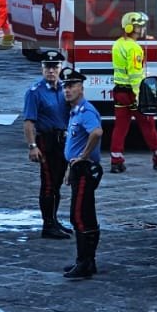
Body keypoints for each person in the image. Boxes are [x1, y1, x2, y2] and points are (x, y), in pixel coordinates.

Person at [23, 51, 72, 239]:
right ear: (42, 68)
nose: (51, 71)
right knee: (48, 184)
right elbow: (29, 122)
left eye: (55, 67)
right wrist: (32, 146)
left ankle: (54, 219)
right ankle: (48, 225)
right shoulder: (35, 92)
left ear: (61, 68)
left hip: (63, 140)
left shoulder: (65, 88)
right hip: (47, 140)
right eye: (47, 67)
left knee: (58, 183)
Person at [61, 69, 103, 279]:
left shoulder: (85, 111)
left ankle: (84, 262)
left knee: (78, 215)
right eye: (65, 86)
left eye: (72, 86)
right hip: (78, 168)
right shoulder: (75, 111)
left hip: (85, 170)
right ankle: (88, 261)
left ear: (81, 88)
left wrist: (83, 157)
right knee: (86, 214)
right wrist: (71, 164)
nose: (67, 90)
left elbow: (96, 132)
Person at [108, 11, 157, 173]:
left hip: (119, 92)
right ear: (131, 27)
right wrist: (141, 98)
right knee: (147, 124)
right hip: (133, 93)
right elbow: (135, 76)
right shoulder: (135, 48)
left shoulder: (117, 44)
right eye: (139, 26)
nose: (142, 29)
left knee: (120, 126)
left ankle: (116, 160)